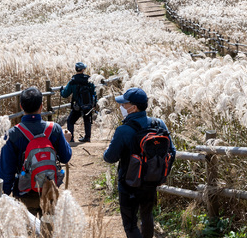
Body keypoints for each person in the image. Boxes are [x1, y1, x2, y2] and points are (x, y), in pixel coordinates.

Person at [104, 88, 176, 238]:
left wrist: (107, 151)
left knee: (130, 225)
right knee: (147, 217)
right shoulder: (159, 124)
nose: (122, 107)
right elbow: (172, 152)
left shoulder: (123, 130)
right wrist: (159, 173)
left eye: (124, 104)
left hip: (128, 184)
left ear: (134, 107)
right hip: (151, 182)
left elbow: (110, 158)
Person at [0, 86, 72, 214]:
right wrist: (66, 140)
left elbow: (7, 171)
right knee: (48, 231)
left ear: (21, 106)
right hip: (49, 191)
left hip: (24, 194)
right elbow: (66, 157)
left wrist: (4, 194)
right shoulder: (54, 129)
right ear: (41, 106)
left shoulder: (12, 134)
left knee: (27, 231)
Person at [61, 62, 96, 142]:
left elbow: (65, 94)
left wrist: (61, 91)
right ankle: (87, 137)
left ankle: (71, 139)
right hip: (87, 105)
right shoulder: (89, 80)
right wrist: (94, 103)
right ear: (83, 69)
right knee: (87, 119)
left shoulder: (73, 81)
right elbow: (94, 92)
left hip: (77, 106)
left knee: (70, 120)